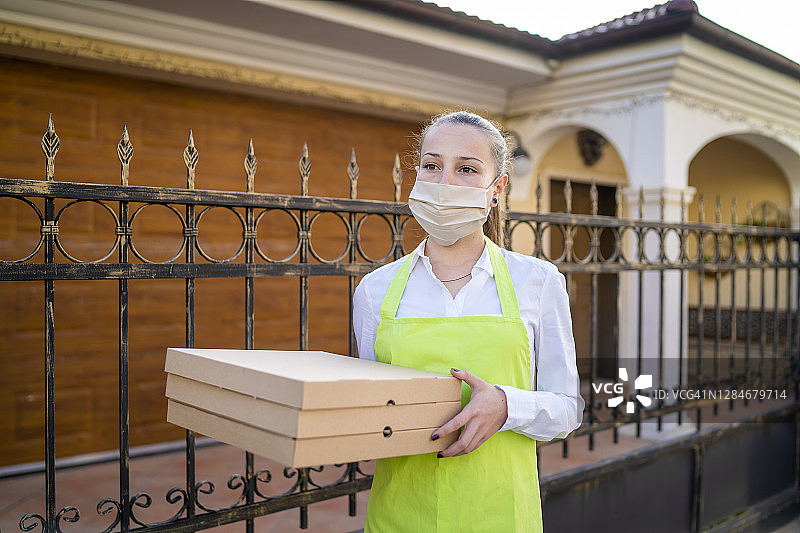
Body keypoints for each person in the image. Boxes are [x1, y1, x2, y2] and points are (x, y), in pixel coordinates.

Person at [353, 111, 584, 532]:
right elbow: (371, 410)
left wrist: (505, 404)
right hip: (401, 517)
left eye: (466, 169)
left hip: (502, 515)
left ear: (496, 189)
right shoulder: (374, 291)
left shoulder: (537, 282)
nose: (444, 184)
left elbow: (567, 409)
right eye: (432, 166)